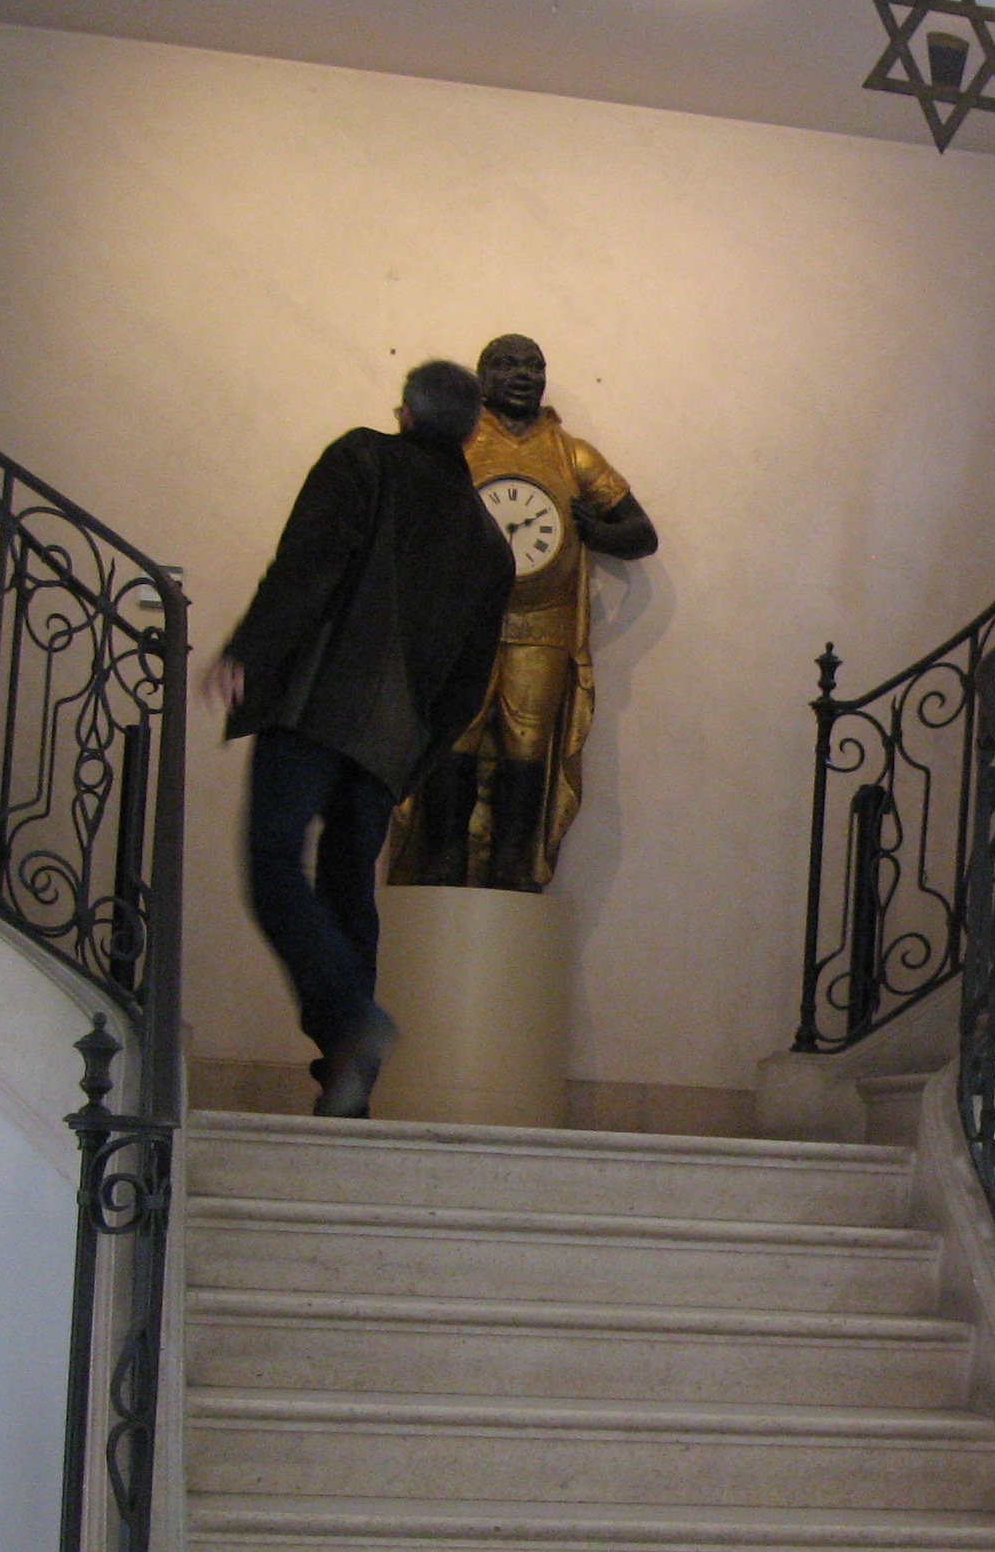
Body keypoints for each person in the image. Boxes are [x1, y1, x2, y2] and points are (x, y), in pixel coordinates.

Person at [201, 360, 515, 1116]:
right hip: (391, 743)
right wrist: (414, 760)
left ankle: (351, 1022)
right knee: (348, 893)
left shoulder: (362, 457)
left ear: (406, 412)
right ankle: (350, 1089)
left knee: (273, 863)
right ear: (472, 433)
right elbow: (468, 685)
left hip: (317, 706)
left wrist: (246, 650)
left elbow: (306, 567)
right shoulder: (490, 544)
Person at [391, 333, 657, 891]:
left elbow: (641, 533)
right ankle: (442, 860)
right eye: (507, 364)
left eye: (534, 366)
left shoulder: (573, 454)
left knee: (529, 745)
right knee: (453, 737)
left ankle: (514, 867)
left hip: (544, 624)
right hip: (460, 625)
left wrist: (599, 532)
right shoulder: (458, 442)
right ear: (481, 376)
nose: (523, 374)